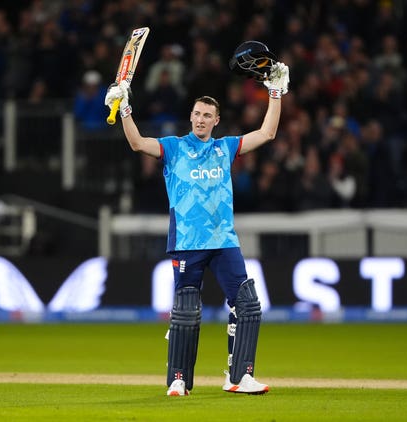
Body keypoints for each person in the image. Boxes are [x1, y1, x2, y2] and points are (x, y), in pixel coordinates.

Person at [105, 60, 290, 396]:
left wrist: (274, 93)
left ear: (216, 121)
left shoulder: (225, 147)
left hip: (224, 241)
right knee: (187, 310)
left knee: (247, 304)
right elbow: (137, 144)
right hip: (188, 241)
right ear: (191, 117)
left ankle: (239, 377)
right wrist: (125, 108)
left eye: (208, 115)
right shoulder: (174, 147)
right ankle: (178, 380)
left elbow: (267, 133)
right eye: (197, 114)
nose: (202, 119)